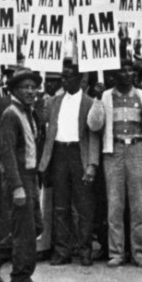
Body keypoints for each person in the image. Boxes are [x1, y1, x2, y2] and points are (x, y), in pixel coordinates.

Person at [0, 68, 48, 282]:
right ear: (15, 91)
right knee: (26, 230)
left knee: (34, 226)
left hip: (29, 175)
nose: (30, 91)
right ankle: (21, 278)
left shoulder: (29, 112)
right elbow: (7, 152)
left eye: (33, 87)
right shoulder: (11, 114)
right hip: (17, 178)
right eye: (25, 87)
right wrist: (17, 186)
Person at [88, 59, 142, 268]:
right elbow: (94, 124)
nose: (127, 74)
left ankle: (140, 253)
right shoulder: (106, 96)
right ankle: (116, 252)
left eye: (130, 71)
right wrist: (97, 99)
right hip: (114, 151)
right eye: (122, 71)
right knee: (115, 205)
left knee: (138, 205)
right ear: (114, 75)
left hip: (137, 149)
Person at [37, 59, 100, 266]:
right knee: (60, 205)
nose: (63, 81)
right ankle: (62, 251)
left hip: (78, 154)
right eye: (62, 77)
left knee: (84, 206)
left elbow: (94, 135)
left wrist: (92, 164)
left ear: (79, 78)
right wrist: (39, 101)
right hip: (59, 154)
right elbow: (41, 120)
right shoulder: (54, 101)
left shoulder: (90, 102)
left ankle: (84, 250)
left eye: (68, 77)